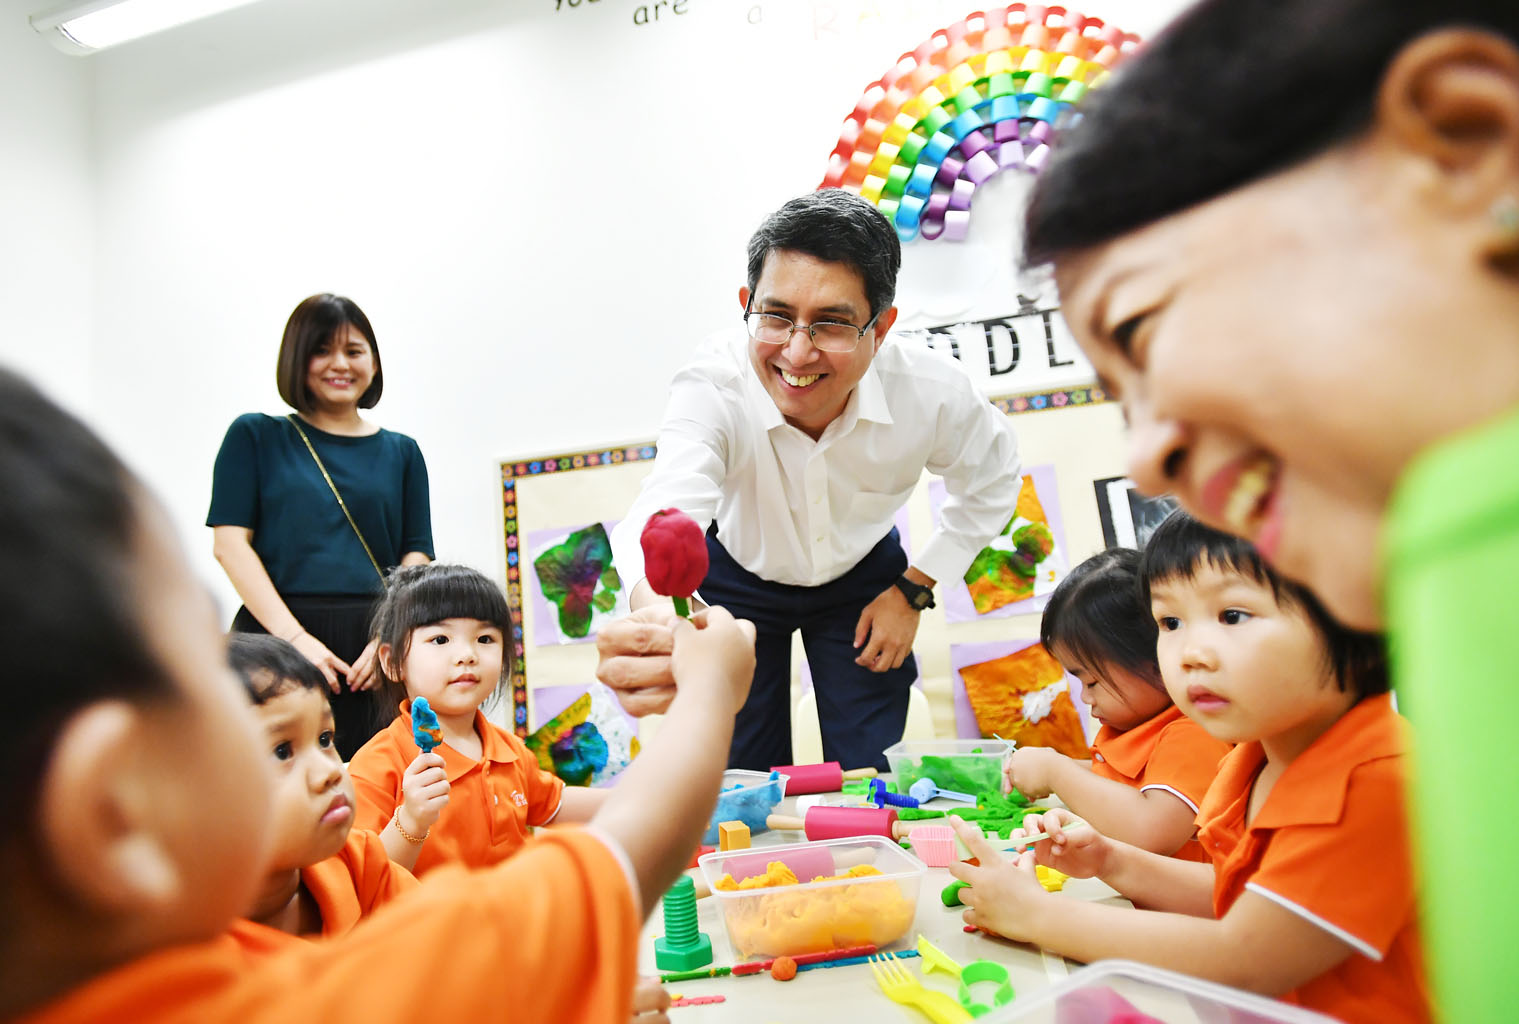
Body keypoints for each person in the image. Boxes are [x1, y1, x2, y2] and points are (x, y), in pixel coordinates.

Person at [1017, 2, 1519, 1015]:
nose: (1146, 454)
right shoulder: (1456, 561)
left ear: (1465, 143)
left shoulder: (1486, 532)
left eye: (1142, 325)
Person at [0, 365, 756, 1023]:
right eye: (208, 659)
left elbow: (474, 925)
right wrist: (709, 690)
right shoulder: (287, 998)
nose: (324, 766)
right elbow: (607, 867)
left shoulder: (363, 860)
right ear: (114, 808)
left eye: (484, 640)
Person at [605, 189, 1022, 770]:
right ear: (747, 302)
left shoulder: (933, 392)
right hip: (736, 576)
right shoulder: (713, 384)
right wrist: (670, 618)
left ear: (881, 327)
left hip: (863, 578)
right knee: (738, 774)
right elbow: (664, 511)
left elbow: (994, 483)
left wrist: (915, 589)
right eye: (776, 317)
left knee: (874, 772)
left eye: (831, 324)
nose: (797, 354)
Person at [953, 512, 1426, 1024]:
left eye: (1233, 616)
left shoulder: (1377, 776)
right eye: (1170, 623)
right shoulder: (1254, 757)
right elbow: (1245, 896)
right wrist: (1112, 862)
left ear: (1357, 618)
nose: (1189, 653)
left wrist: (1038, 915)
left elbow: (1248, 957)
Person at [227, 633, 673, 1023]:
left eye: (325, 739)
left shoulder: (359, 865)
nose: (328, 770)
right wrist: (412, 820)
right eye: (282, 750)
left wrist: (569, 993)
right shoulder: (194, 966)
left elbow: (469, 957)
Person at [209, 293, 434, 759]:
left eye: (353, 351)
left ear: (373, 362)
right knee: (264, 780)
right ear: (297, 357)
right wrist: (293, 640)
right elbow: (230, 546)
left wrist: (390, 636)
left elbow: (417, 553)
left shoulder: (403, 452)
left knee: (379, 786)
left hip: (374, 646)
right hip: (272, 635)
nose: (340, 364)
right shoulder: (255, 436)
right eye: (322, 350)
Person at [346, 563, 608, 875]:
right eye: (441, 639)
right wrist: (411, 821)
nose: (467, 654)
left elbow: (556, 804)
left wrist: (661, 797)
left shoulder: (510, 750)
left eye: (485, 639)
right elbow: (365, 881)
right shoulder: (377, 765)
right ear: (392, 662)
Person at [1004, 547, 1229, 861]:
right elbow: (1124, 782)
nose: (1085, 697)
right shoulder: (1142, 728)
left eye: (1092, 682)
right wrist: (1049, 769)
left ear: (1156, 660)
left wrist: (1056, 772)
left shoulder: (1195, 732)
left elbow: (1150, 831)